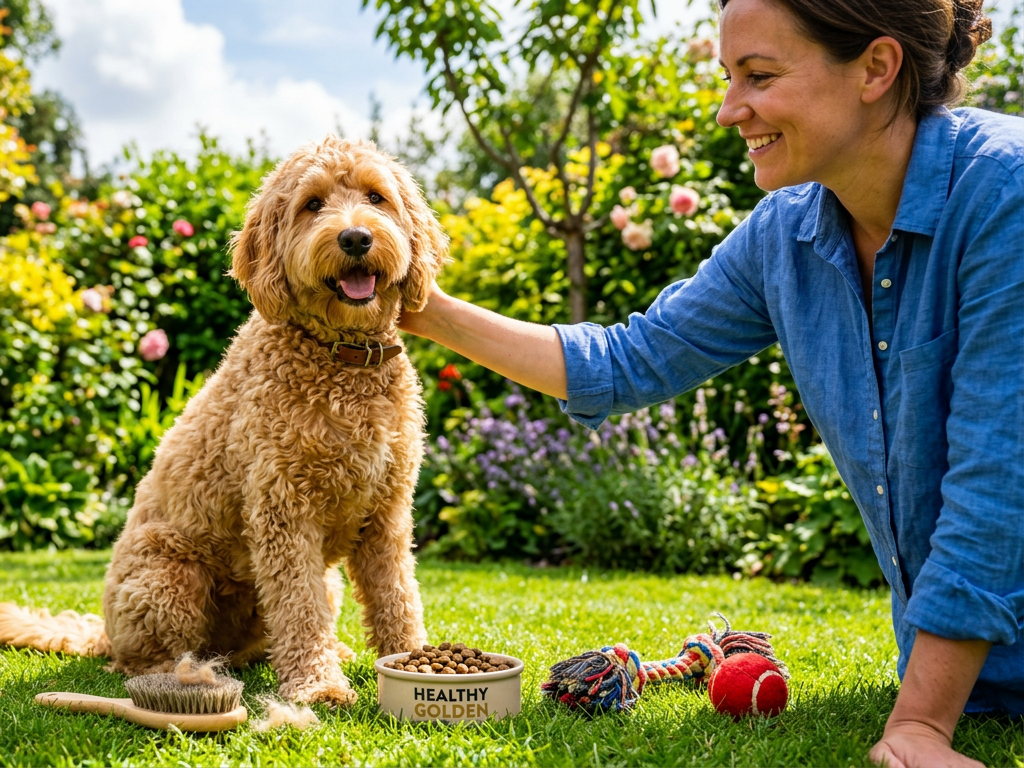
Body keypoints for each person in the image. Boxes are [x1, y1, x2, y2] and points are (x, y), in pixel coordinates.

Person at [397, 0, 1022, 765]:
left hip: (948, 697)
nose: (730, 110)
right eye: (729, 77)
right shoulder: (785, 236)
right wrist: (417, 307)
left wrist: (921, 723)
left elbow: (996, 482)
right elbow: (625, 360)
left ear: (876, 68)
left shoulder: (1005, 193)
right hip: (974, 688)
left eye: (758, 76)